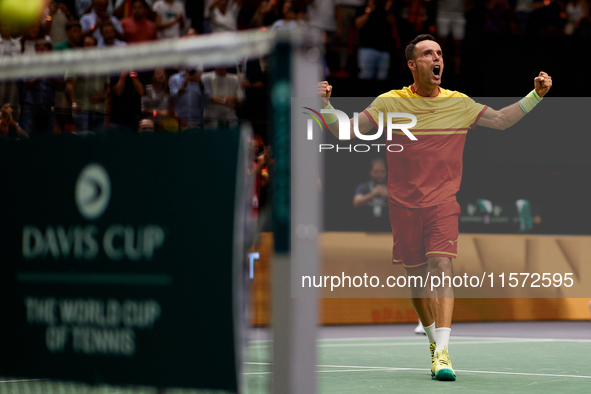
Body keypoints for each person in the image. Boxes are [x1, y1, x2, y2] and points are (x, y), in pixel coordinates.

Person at [318, 34, 552, 381]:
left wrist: (536, 95)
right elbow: (345, 133)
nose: (436, 58)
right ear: (413, 65)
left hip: (443, 201)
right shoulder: (390, 102)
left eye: (439, 53)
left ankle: (443, 352)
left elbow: (502, 120)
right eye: (428, 54)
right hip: (403, 204)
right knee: (416, 282)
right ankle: (432, 343)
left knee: (441, 266)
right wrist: (324, 106)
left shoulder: (459, 103)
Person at [352, 158, 390, 231]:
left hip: (387, 232)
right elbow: (356, 202)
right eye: (376, 172)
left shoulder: (392, 189)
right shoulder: (363, 187)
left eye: (382, 172)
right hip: (365, 232)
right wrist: (372, 194)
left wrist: (387, 196)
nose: (379, 175)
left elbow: (402, 205)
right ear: (371, 172)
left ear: (386, 173)